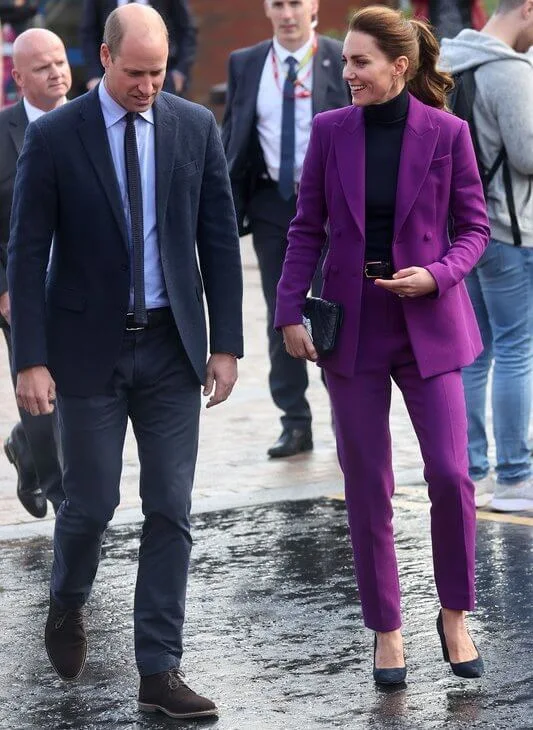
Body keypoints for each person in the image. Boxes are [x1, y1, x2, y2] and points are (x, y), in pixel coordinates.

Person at [8, 3, 242, 719]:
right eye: (135, 72)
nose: (148, 85)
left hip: (172, 348)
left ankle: (159, 671)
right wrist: (31, 360)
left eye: (158, 71)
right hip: (87, 351)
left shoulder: (193, 126)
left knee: (170, 508)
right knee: (92, 504)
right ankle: (66, 599)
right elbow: (26, 250)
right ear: (104, 59)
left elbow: (220, 242)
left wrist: (225, 343)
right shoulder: (55, 136)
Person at [275, 5, 489, 684]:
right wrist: (287, 311)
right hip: (353, 324)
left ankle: (454, 614)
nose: (347, 72)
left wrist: (438, 274)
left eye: (359, 62)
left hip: (428, 320)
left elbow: (473, 228)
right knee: (367, 482)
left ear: (398, 66)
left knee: (452, 476)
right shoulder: (330, 132)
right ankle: (386, 628)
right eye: (344, 62)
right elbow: (305, 227)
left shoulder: (447, 133)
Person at [222, 0, 349, 458]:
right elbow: (235, 134)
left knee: (337, 311)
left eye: (296, 2)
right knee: (284, 311)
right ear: (267, 9)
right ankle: (294, 421)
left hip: (334, 210)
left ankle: (346, 415)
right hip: (273, 204)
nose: (288, 13)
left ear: (313, 6)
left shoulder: (339, 56)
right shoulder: (246, 62)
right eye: (278, 3)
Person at [440, 1, 533, 514]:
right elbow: (527, 154)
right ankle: (516, 478)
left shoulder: (447, 62)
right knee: (518, 349)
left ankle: (471, 470)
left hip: (462, 234)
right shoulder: (509, 71)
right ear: (526, 8)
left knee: (473, 354)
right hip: (512, 232)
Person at [0, 28, 68, 518]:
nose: (57, 72)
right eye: (42, 67)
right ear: (18, 78)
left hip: (85, 284)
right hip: (21, 289)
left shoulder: (91, 119)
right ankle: (60, 490)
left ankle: (27, 444)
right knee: (40, 393)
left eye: (61, 61)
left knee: (86, 391)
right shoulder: (3, 133)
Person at [81, 0, 197, 95]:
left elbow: (187, 31)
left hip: (167, 82)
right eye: (134, 73)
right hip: (108, 79)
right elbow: (89, 34)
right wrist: (94, 75)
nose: (146, 89)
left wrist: (180, 72)